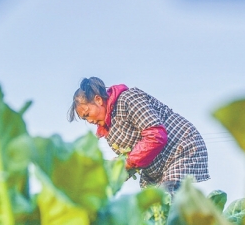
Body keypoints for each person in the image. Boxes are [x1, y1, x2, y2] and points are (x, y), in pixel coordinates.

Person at [67, 77, 209, 195]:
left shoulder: (128, 99)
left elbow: (155, 135)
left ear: (98, 100)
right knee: (149, 209)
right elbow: (132, 158)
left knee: (167, 200)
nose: (89, 121)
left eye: (87, 114)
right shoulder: (108, 130)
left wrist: (127, 163)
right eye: (85, 119)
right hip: (156, 168)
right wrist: (113, 170)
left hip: (181, 148)